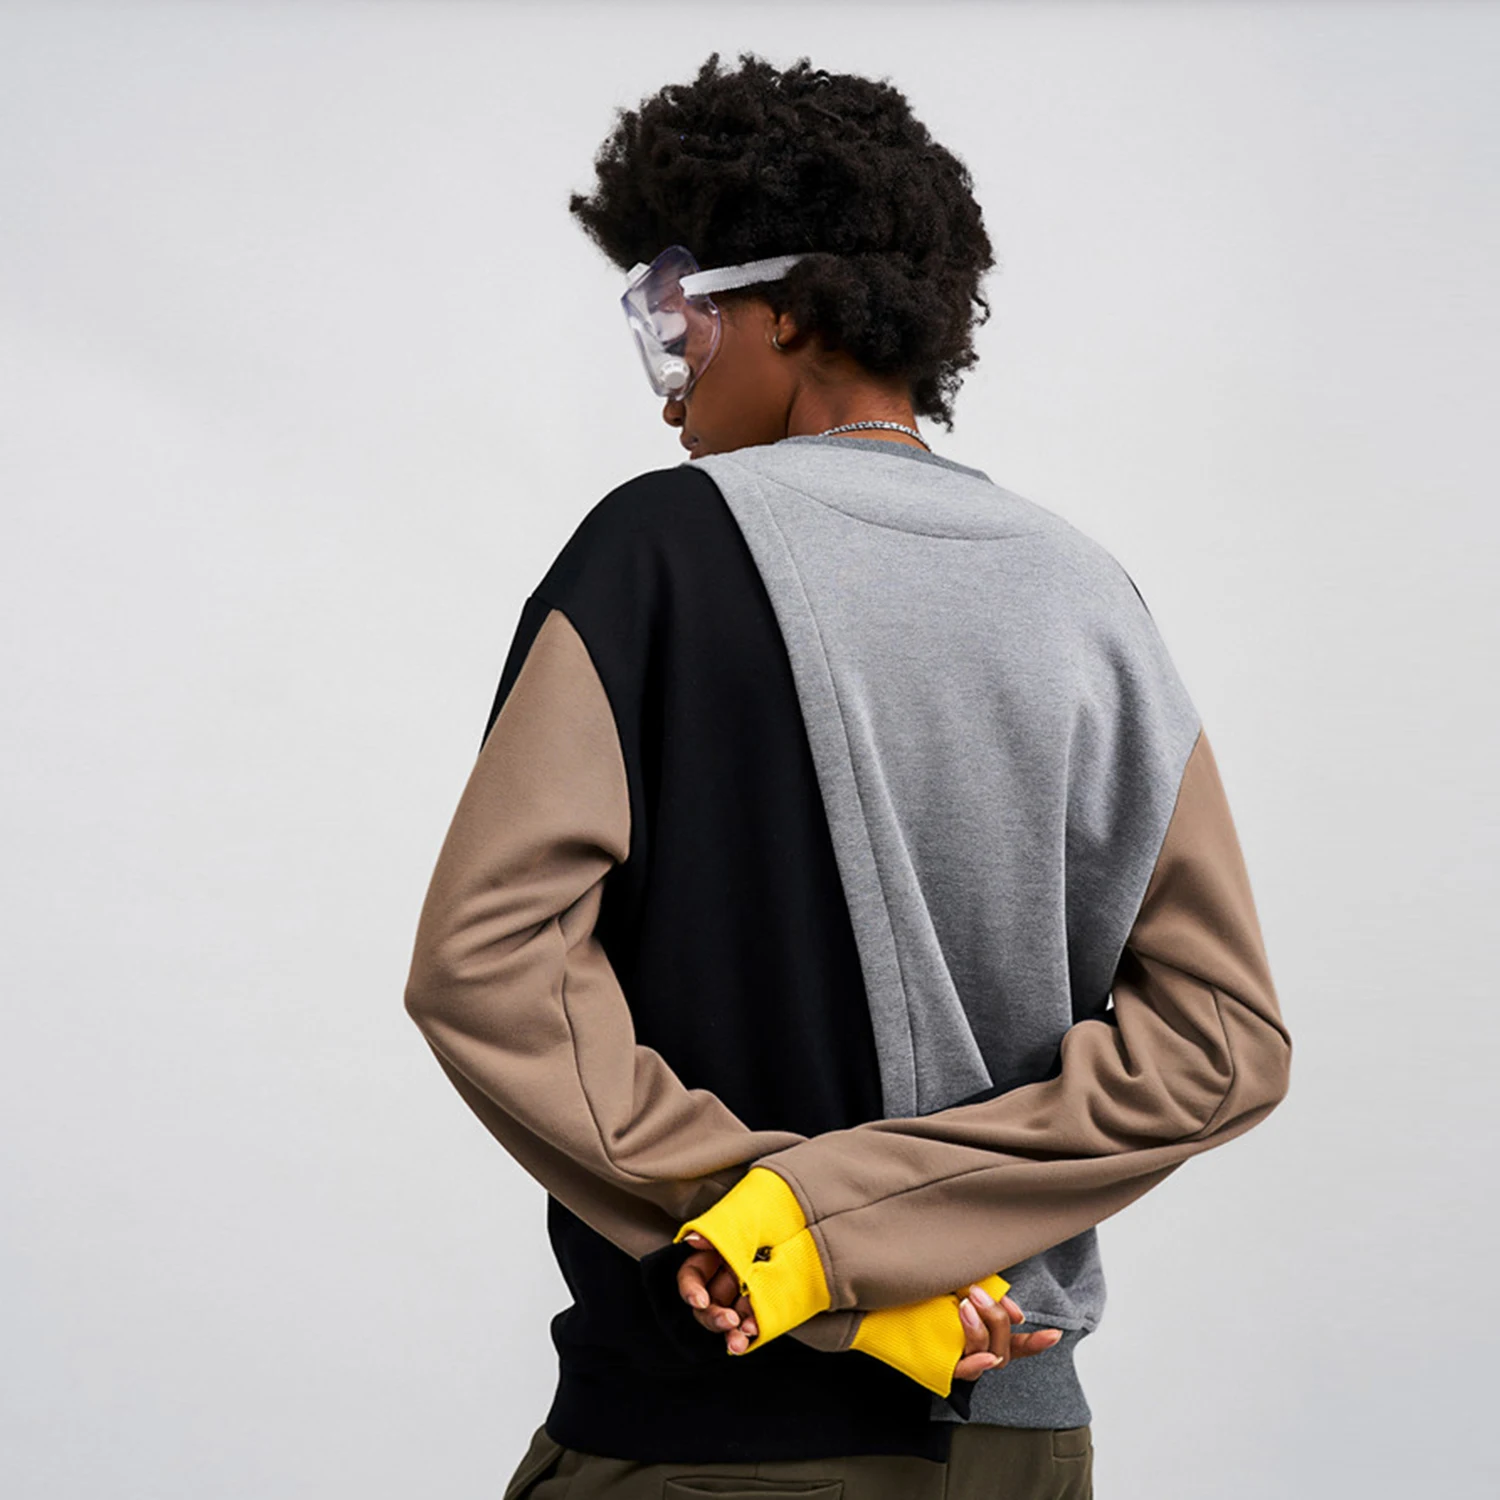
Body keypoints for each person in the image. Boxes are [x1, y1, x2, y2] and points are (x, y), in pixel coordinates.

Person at [402, 51, 1292, 1500]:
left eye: (683, 310)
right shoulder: (1089, 595)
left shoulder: (655, 551)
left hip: (720, 1437)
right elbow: (1222, 1043)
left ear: (794, 310)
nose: (670, 378)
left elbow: (483, 966)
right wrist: (866, 1227)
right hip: (1021, 1437)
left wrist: (786, 1237)